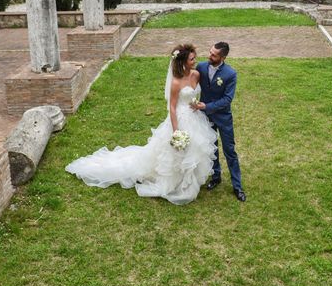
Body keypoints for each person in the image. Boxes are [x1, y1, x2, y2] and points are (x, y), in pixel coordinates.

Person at [66, 44, 218, 205]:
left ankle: (190, 180)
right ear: (182, 62)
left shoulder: (196, 74)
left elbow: (196, 93)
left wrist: (197, 104)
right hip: (179, 119)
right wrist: (176, 131)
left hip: (195, 117)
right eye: (192, 59)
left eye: (194, 58)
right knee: (177, 152)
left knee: (194, 149)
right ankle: (178, 183)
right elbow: (172, 108)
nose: (195, 61)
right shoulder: (175, 82)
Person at [192, 42, 246, 202]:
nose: (210, 56)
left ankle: (237, 186)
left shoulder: (230, 74)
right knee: (211, 148)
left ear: (223, 57)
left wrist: (207, 106)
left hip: (223, 118)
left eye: (214, 55)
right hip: (205, 118)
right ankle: (216, 176)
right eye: (210, 52)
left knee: (230, 151)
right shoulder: (201, 67)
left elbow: (227, 99)